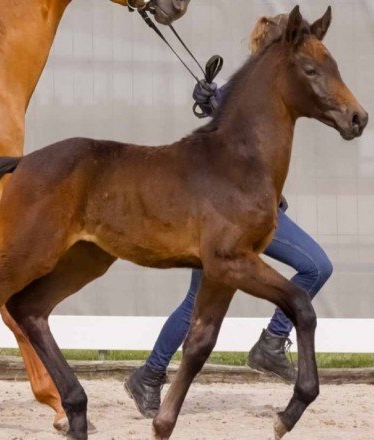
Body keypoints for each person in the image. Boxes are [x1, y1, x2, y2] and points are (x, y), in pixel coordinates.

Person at [124, 13, 334, 419]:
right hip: (236, 218)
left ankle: (150, 375)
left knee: (197, 303)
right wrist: (214, 98)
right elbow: (233, 117)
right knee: (314, 266)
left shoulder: (261, 94)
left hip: (240, 214)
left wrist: (213, 97)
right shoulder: (249, 95)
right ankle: (269, 344)